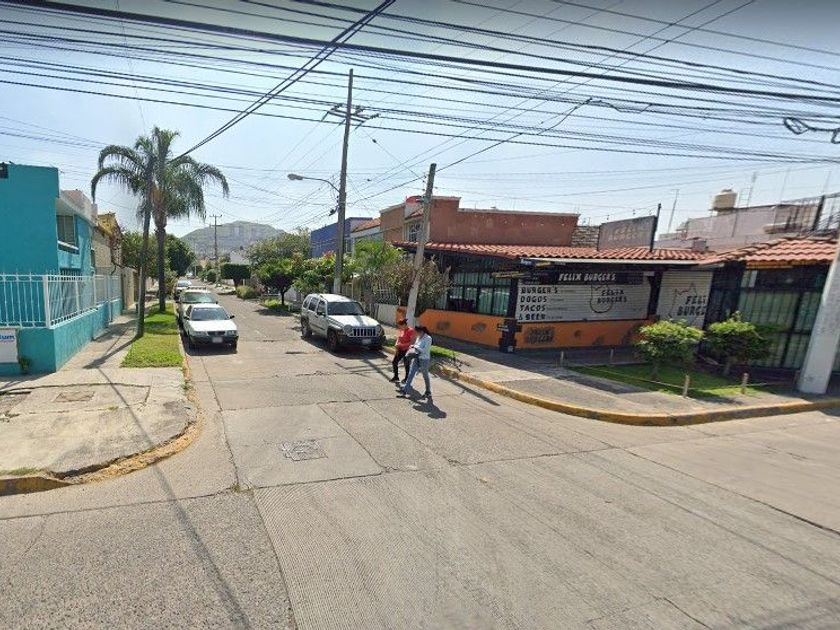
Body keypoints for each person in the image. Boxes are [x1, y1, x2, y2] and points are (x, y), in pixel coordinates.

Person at [399, 325, 433, 401]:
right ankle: (405, 390)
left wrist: (415, 346)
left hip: (424, 360)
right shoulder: (419, 337)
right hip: (416, 358)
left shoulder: (428, 338)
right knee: (411, 374)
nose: (416, 334)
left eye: (417, 332)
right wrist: (412, 348)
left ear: (422, 331)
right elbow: (415, 347)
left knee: (425, 376)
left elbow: (425, 350)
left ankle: (428, 391)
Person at [391, 318, 415, 383]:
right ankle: (396, 377)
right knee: (394, 362)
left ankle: (406, 379)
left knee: (406, 364)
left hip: (407, 350)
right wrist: (396, 344)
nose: (399, 327)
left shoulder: (411, 330)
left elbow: (412, 342)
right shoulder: (401, 330)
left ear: (404, 325)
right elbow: (398, 338)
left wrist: (402, 345)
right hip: (400, 349)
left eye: (400, 326)